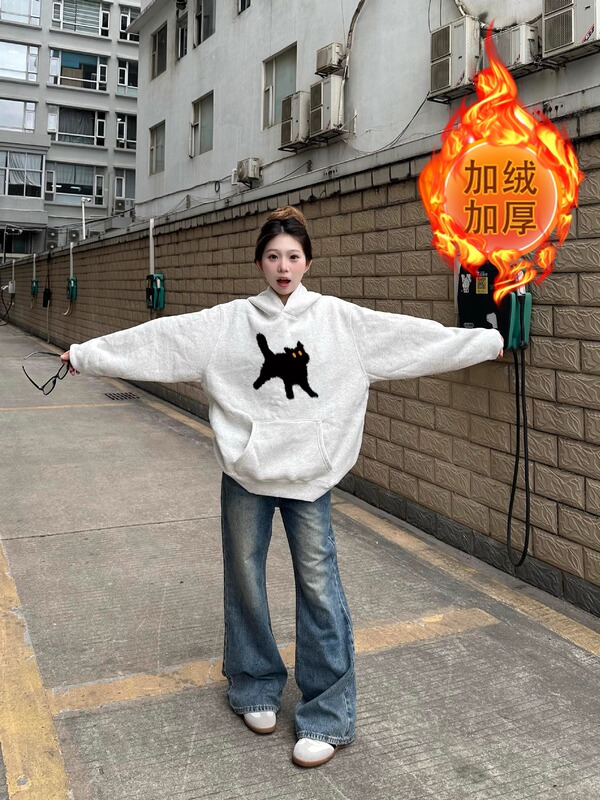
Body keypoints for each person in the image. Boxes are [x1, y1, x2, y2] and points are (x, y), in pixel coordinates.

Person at [61, 206, 503, 767]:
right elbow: (162, 341)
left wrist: (483, 342)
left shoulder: (340, 321)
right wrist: (87, 355)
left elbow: (411, 338)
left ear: (308, 262)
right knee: (245, 579)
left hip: (310, 476)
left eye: (293, 256)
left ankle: (328, 714)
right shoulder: (229, 322)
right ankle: (254, 686)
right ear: (260, 264)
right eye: (273, 256)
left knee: (318, 586)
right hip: (246, 472)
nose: (283, 266)